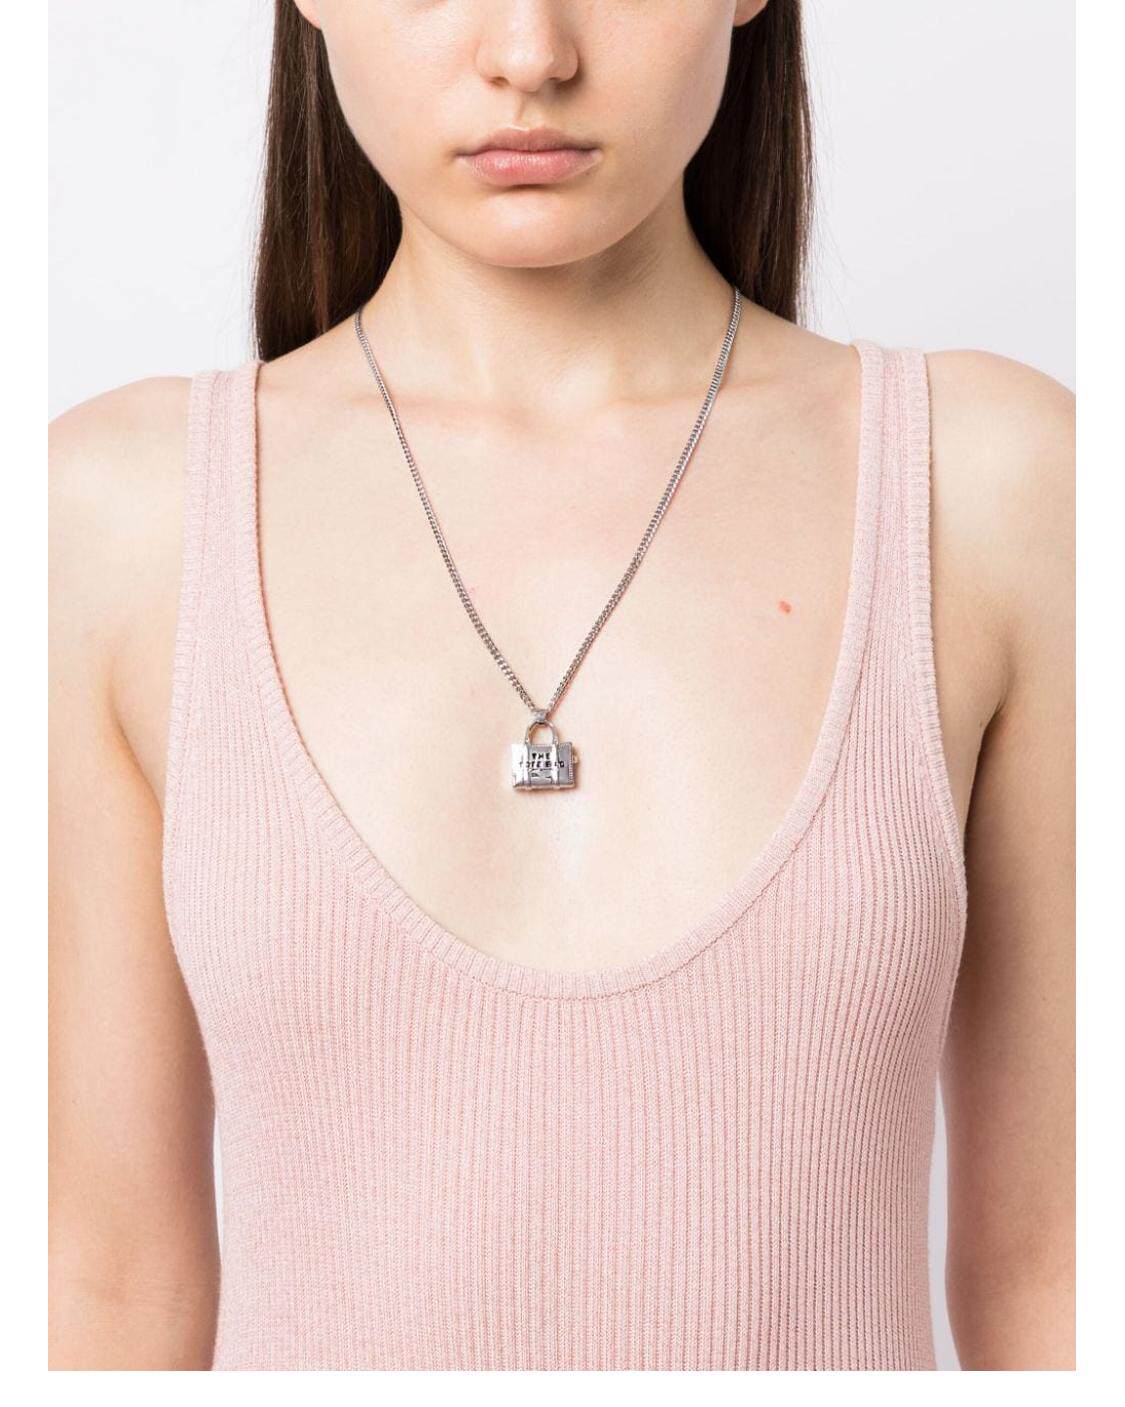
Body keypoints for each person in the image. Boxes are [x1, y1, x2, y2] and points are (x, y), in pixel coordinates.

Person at [48, 0, 1074, 1373]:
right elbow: (109, 1287)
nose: (530, 52)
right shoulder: (118, 521)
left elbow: (1060, 1272)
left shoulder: (994, 485)